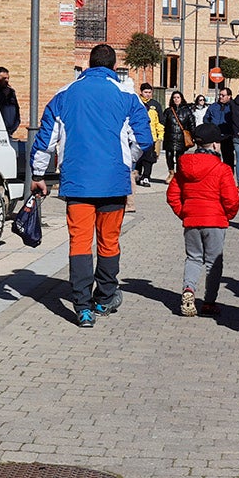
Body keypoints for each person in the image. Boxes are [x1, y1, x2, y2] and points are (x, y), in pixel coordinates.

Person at [30, 43, 153, 328]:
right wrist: (128, 162)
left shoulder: (64, 94)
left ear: (88, 63)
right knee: (108, 241)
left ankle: (82, 307)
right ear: (112, 67)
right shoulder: (126, 94)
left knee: (80, 242)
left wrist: (38, 175)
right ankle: (105, 297)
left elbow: (45, 141)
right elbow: (144, 140)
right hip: (113, 182)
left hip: (77, 184)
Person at [167, 122, 239, 318]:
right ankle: (209, 302)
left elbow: (172, 194)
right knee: (213, 263)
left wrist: (184, 212)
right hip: (215, 220)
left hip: (192, 220)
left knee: (193, 258)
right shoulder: (222, 169)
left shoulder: (183, 166)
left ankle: (188, 290)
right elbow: (231, 199)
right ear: (215, 145)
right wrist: (228, 215)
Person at [135, 83, 164, 186]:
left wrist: (160, 136)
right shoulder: (136, 102)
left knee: (149, 159)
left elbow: (160, 122)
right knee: (138, 158)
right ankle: (137, 175)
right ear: (141, 92)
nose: (147, 94)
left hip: (151, 137)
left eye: (149, 92)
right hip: (137, 136)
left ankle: (146, 176)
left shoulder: (155, 105)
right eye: (145, 92)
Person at [162, 90, 193, 176]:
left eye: (178, 97)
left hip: (181, 138)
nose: (176, 99)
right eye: (174, 98)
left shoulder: (187, 111)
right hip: (169, 137)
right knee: (169, 155)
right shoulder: (168, 111)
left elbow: (191, 125)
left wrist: (193, 136)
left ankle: (179, 174)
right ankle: (171, 173)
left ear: (181, 99)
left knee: (180, 157)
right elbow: (163, 123)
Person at [206, 87, 235, 170]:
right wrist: (210, 127)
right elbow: (206, 118)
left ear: (229, 96)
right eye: (220, 95)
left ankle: (228, 177)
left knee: (228, 160)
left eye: (223, 95)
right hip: (215, 136)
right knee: (214, 159)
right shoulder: (213, 106)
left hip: (227, 136)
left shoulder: (232, 107)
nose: (220, 97)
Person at [0, 67, 19, 135]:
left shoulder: (10, 92)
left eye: (8, 78)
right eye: (4, 78)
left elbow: (16, 109)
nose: (6, 80)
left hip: (9, 129)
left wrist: (14, 125)